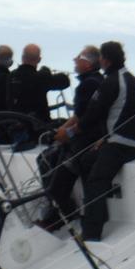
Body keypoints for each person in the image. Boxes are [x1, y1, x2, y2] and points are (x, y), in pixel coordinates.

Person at [52, 41, 135, 241]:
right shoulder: (131, 79)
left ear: (105, 60)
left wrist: (68, 134)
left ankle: (91, 233)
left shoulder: (112, 82)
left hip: (123, 144)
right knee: (86, 161)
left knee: (97, 179)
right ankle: (97, 215)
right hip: (133, 140)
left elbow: (92, 116)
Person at [37, 45, 104, 230]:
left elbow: (88, 119)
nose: (74, 59)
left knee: (48, 163)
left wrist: (67, 133)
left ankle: (62, 211)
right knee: (48, 158)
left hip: (86, 140)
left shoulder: (90, 84)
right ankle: (57, 209)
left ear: (88, 64)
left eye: (78, 57)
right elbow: (79, 114)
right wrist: (62, 130)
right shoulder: (91, 82)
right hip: (83, 136)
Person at [10, 44, 70, 123]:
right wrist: (46, 71)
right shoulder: (42, 77)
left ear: (22, 57)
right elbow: (65, 81)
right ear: (39, 59)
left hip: (15, 123)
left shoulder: (11, 76)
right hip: (39, 126)